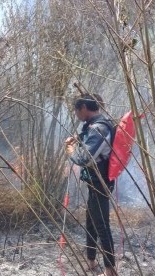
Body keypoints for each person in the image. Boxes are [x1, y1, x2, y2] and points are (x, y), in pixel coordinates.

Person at [64, 94, 116, 276]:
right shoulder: (93, 124)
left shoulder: (100, 128)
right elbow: (86, 135)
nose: (77, 115)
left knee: (101, 224)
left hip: (101, 183)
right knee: (91, 222)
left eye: (77, 111)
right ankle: (91, 261)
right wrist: (76, 138)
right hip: (93, 182)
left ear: (84, 108)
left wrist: (71, 151)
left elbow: (85, 158)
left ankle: (110, 270)